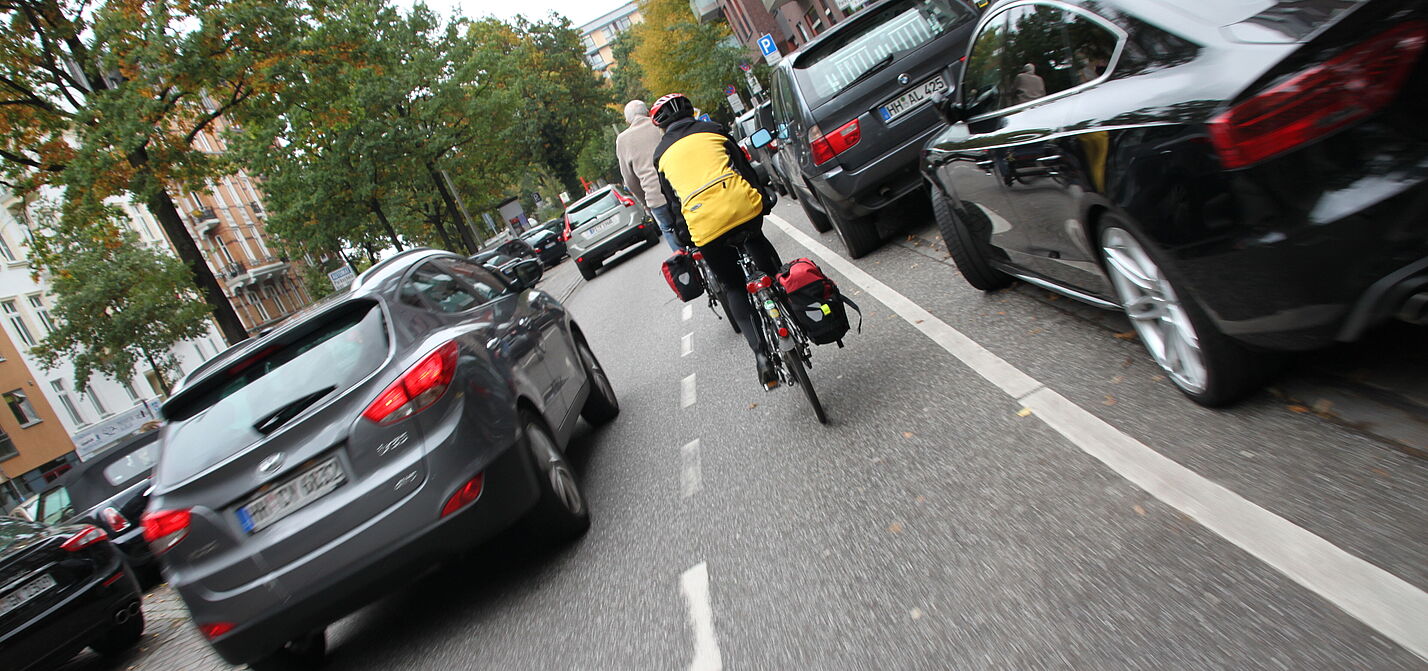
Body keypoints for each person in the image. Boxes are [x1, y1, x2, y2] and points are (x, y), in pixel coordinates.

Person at [650, 93, 783, 387]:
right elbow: (745, 170)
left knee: (733, 286)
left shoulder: (661, 155)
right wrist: (763, 198)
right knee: (763, 253)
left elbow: (673, 202)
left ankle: (761, 355)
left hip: (704, 225)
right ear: (691, 112)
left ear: (661, 126)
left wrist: (684, 235)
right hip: (742, 208)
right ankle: (788, 310)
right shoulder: (714, 130)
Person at [616, 100, 681, 251]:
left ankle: (682, 260)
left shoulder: (622, 140)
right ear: (647, 112)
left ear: (627, 121)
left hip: (655, 197)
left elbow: (630, 180)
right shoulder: (660, 125)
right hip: (679, 188)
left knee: (668, 229)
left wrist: (645, 201)